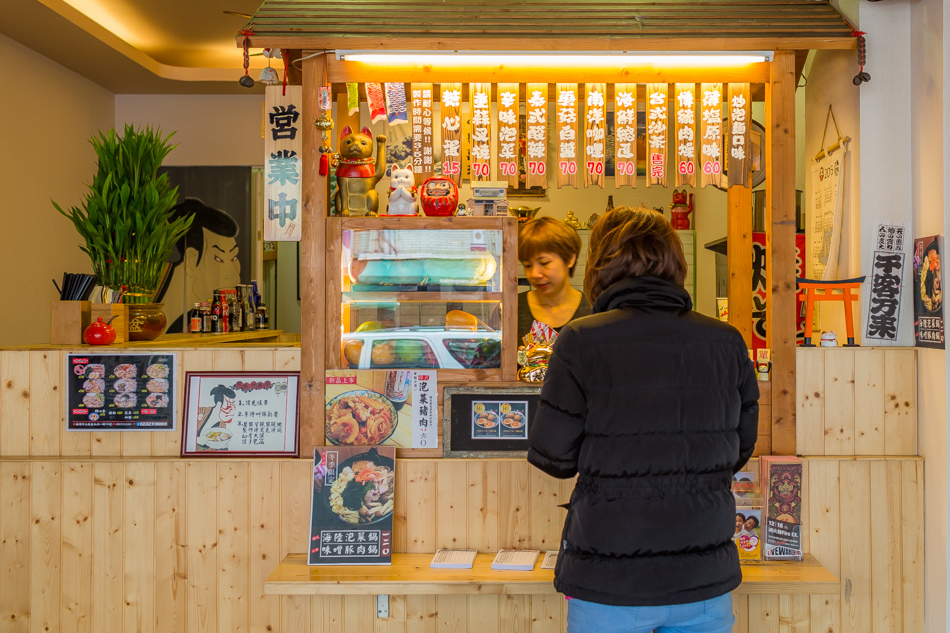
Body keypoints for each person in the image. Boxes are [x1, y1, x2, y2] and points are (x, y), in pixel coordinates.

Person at [527, 206, 759, 633]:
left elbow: (554, 458)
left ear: (600, 263)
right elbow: (739, 450)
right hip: (703, 583)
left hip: (610, 582)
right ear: (675, 261)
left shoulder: (581, 341)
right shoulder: (726, 342)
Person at [157, 197, 242, 332]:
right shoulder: (153, 289)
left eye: (234, 257)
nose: (233, 273)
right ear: (191, 259)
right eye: (219, 258)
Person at [517, 217, 592, 344]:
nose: (535, 274)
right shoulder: (512, 309)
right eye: (527, 265)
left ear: (569, 258)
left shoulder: (592, 312)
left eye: (544, 263)